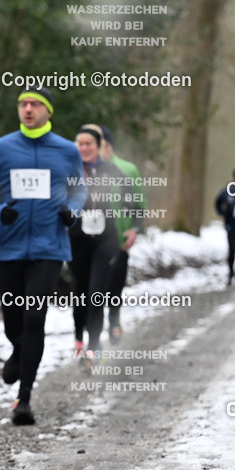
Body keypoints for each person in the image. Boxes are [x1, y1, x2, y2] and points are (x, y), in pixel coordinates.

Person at [0, 87, 87, 425]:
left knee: (35, 317)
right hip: (9, 247)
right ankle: (19, 349)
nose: (28, 109)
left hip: (49, 247)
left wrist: (72, 211)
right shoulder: (2, 148)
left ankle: (24, 399)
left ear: (48, 111)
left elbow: (79, 189)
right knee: (14, 320)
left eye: (35, 104)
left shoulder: (66, 150)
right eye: (23, 103)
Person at [68, 126, 142, 365]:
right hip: (77, 240)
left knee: (96, 293)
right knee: (80, 292)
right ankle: (79, 338)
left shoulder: (111, 170)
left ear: (98, 147)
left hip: (106, 240)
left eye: (89, 144)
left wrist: (134, 227)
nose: (84, 148)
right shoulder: (69, 170)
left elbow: (133, 201)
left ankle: (92, 347)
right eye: (80, 143)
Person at [98, 125, 147, 344]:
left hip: (118, 241)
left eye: (99, 145)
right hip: (92, 243)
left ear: (109, 146)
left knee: (115, 286)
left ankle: (114, 316)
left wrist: (134, 229)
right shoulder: (83, 169)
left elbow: (139, 205)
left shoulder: (128, 170)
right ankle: (93, 336)